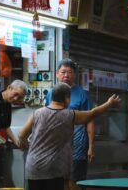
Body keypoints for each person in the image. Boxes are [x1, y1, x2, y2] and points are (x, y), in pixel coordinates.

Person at [18, 82, 120, 190]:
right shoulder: (69, 115)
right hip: (54, 169)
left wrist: (27, 146)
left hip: (34, 167)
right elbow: (93, 113)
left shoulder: (36, 113)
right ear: (66, 98)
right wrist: (109, 104)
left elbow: (21, 135)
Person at [45, 58, 94, 190]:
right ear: (57, 74)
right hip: (56, 147)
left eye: (70, 72)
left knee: (74, 182)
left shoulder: (82, 95)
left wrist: (90, 146)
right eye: (63, 72)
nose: (66, 75)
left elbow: (90, 120)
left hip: (77, 146)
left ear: (75, 75)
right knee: (59, 182)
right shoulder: (51, 93)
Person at [0, 79, 27, 187]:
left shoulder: (8, 105)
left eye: (20, 97)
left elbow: (6, 126)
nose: (16, 98)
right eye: (16, 94)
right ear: (9, 88)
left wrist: (16, 141)